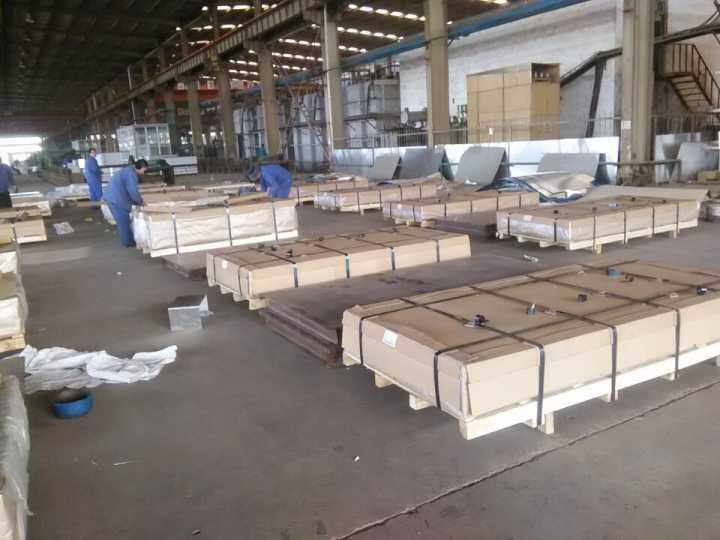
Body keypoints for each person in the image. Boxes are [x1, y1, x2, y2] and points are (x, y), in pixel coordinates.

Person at [104, 159, 148, 247]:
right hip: (115, 199)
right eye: (144, 170)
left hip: (114, 196)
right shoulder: (131, 174)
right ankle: (128, 242)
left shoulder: (129, 170)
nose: (143, 173)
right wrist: (141, 202)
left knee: (124, 220)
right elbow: (133, 192)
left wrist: (135, 202)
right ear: (139, 167)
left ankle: (130, 240)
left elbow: (130, 190)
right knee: (123, 220)